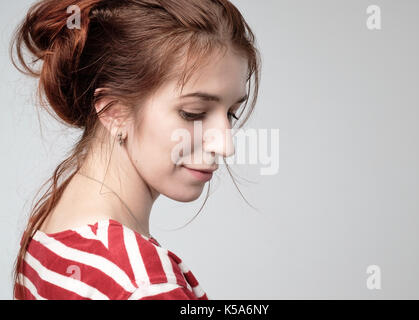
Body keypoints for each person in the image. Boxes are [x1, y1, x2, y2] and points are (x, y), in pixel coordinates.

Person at [10, 0, 260, 300]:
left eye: (231, 113)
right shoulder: (143, 285)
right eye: (193, 113)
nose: (225, 145)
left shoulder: (50, 228)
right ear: (114, 110)